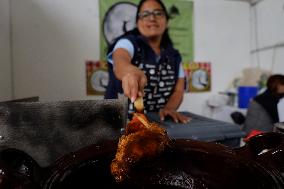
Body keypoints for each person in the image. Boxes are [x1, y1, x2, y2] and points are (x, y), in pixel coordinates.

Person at [104, 0, 190, 123]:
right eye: (145, 14)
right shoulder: (128, 42)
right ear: (137, 22)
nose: (152, 18)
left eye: (158, 13)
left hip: (156, 124)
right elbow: (120, 60)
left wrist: (169, 109)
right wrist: (131, 72)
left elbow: (178, 90)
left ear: (167, 21)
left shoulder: (174, 56)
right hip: (116, 124)